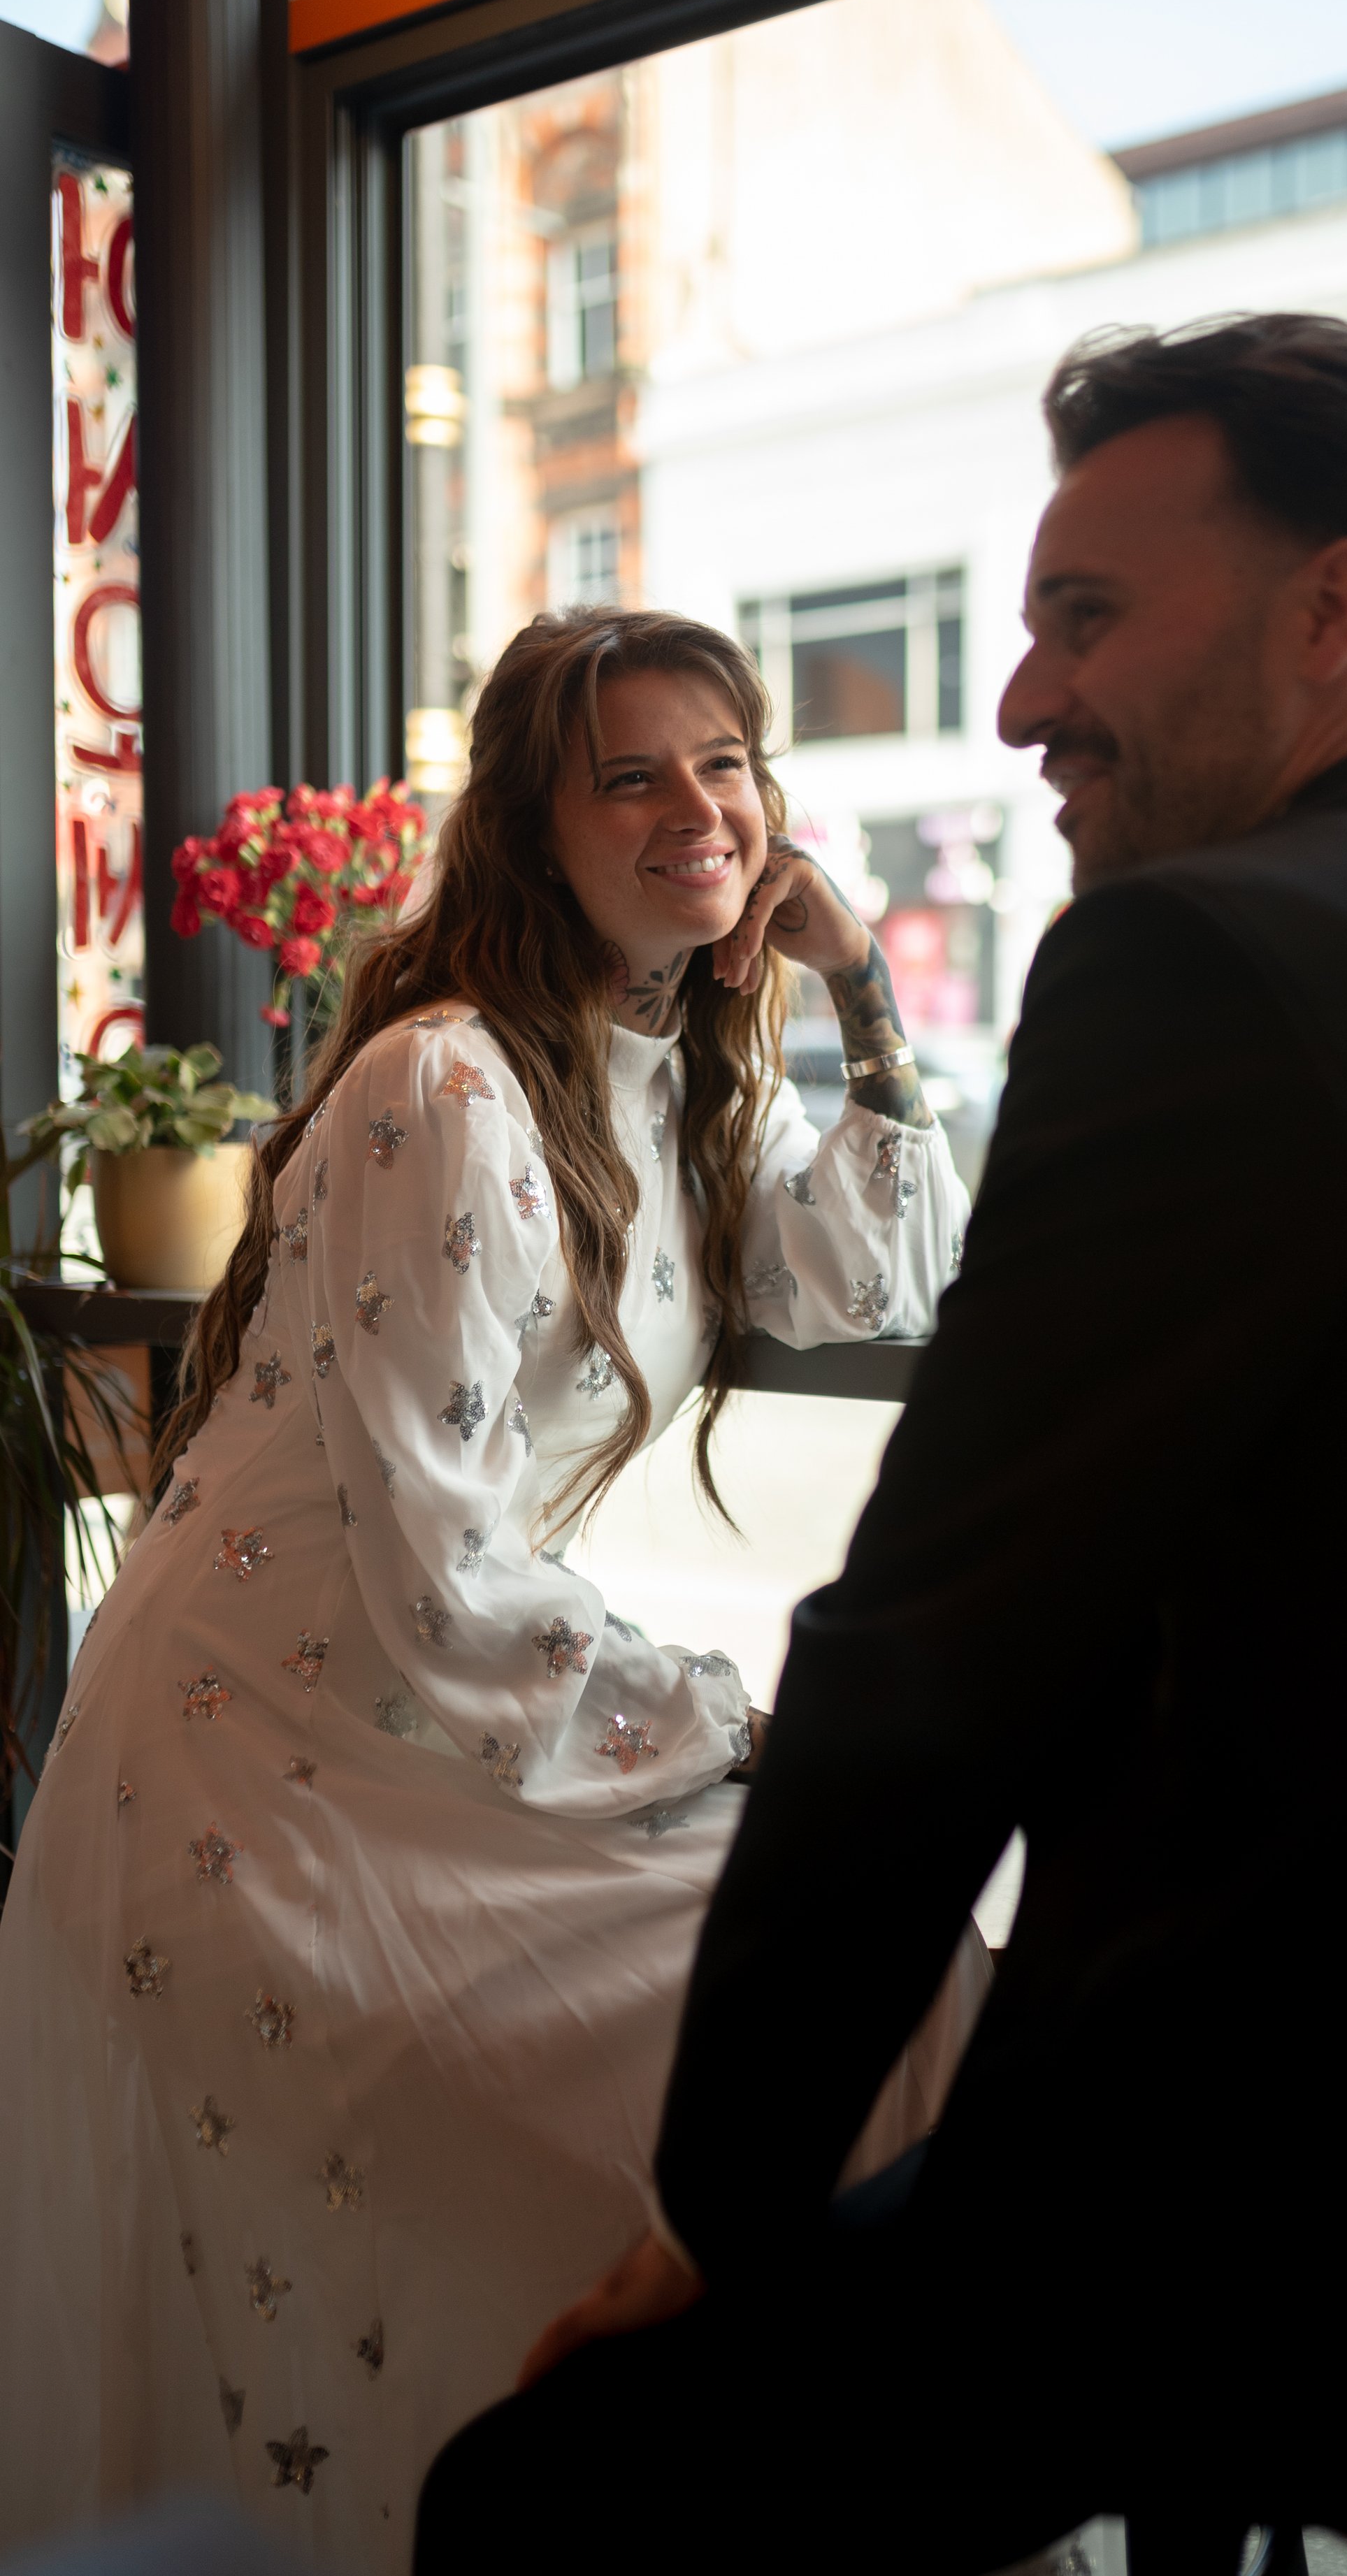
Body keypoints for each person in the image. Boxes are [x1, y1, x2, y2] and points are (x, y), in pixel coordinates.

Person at [419, 315, 1347, 2576]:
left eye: (1085, 616)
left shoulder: (1199, 953)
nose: (1021, 699)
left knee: (543, 2496)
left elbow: (938, 1643)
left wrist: (720, 2212)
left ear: (1331, 608)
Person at [0, 608, 982, 2568]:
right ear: (535, 830)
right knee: (813, 2004)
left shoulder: (682, 1069)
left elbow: (878, 1278)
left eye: (727, 764)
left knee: (895, 1974)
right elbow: (445, 1568)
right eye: (633, 776)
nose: (701, 808)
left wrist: (858, 983)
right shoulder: (444, 1084)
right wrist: (740, 1724)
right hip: (267, 1756)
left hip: (441, 1722)